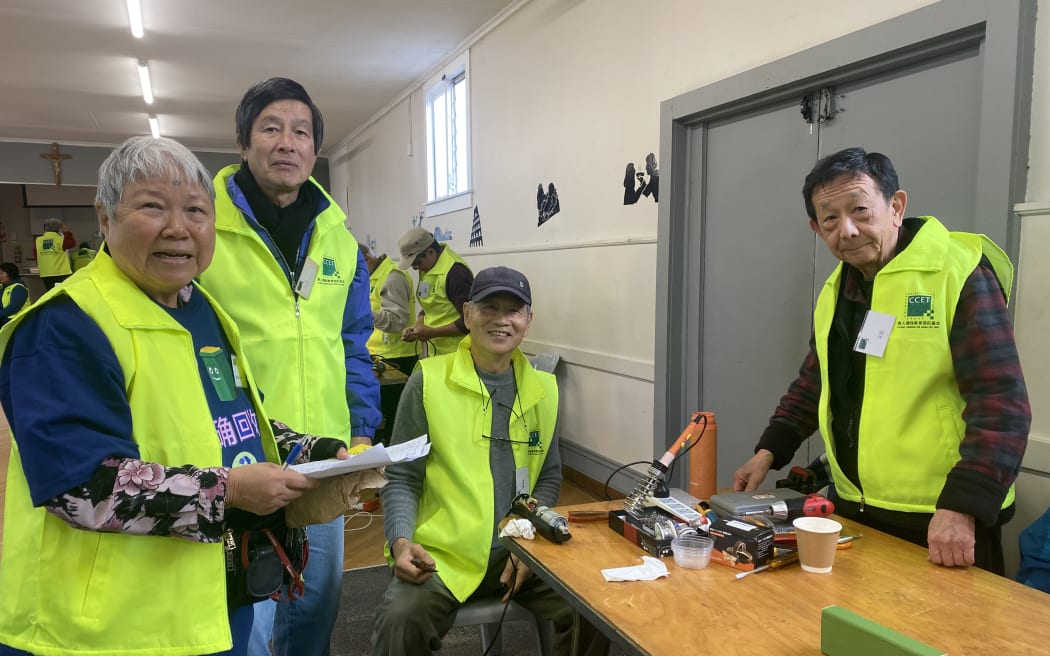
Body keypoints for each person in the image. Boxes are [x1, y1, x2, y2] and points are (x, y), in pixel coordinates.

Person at [0, 135, 347, 655]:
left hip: (203, 603)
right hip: (102, 631)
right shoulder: (65, 326)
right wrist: (229, 491)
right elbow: (80, 487)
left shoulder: (201, 309)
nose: (179, 228)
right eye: (152, 207)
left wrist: (313, 452)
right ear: (104, 216)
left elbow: (223, 423)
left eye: (196, 211)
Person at [732, 147, 1030, 575]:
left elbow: (1002, 404)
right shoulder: (837, 291)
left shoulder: (957, 273)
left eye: (860, 210)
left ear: (896, 207)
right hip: (857, 508)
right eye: (830, 219)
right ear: (816, 228)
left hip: (942, 517)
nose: (847, 230)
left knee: (947, 641)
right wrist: (768, 452)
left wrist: (962, 506)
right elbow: (816, 383)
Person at [199, 77, 381, 656]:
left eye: (301, 132)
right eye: (270, 128)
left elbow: (353, 343)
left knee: (315, 606)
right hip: (236, 452)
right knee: (242, 614)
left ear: (314, 148)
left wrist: (359, 431)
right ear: (243, 142)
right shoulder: (204, 229)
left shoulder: (340, 242)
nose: (287, 143)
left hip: (321, 455)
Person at [372, 266, 608, 656]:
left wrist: (532, 551)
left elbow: (547, 476)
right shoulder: (428, 381)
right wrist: (400, 541)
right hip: (444, 558)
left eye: (513, 310)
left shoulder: (543, 389)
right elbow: (403, 477)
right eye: (489, 307)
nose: (501, 319)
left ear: (528, 321)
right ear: (467, 314)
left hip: (522, 552)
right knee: (400, 620)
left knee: (594, 607)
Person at [360, 242, 417, 443]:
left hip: (397, 359)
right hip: (377, 357)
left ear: (366, 259)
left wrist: (362, 315)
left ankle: (391, 463)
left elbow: (396, 320)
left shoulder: (392, 277)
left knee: (394, 419)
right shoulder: (370, 275)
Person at [397, 227, 473, 358]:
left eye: (417, 263)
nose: (415, 268)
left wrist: (432, 332)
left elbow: (471, 321)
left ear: (430, 252)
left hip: (457, 355)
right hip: (435, 353)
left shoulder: (456, 274)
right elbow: (430, 306)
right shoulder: (427, 268)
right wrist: (416, 327)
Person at [34, 217, 72, 289]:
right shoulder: (60, 240)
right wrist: (67, 231)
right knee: (61, 295)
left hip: (45, 274)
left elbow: (36, 255)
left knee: (50, 294)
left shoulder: (38, 240)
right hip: (61, 273)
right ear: (58, 228)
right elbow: (72, 243)